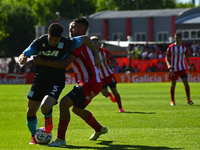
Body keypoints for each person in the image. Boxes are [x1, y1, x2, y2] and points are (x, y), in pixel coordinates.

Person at [18, 22, 101, 145]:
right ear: (47, 34)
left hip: (56, 80)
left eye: (55, 40)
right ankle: (33, 137)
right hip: (40, 79)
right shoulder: (39, 42)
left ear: (60, 37)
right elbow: (25, 53)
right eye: (51, 39)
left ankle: (49, 120)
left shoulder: (68, 42)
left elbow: (86, 39)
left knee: (46, 107)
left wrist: (97, 56)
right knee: (30, 111)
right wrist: (22, 58)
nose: (52, 42)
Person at [90, 36, 124, 112]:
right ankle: (109, 94)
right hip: (100, 77)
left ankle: (120, 108)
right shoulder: (90, 54)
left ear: (98, 43)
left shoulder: (104, 51)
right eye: (92, 43)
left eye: (95, 43)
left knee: (115, 91)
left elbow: (113, 60)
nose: (94, 44)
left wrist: (112, 64)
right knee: (104, 93)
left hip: (108, 74)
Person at [165, 33, 193, 106]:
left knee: (186, 83)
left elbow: (186, 56)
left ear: (181, 38)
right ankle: (172, 101)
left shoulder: (184, 47)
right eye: (175, 37)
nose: (176, 39)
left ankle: (188, 99)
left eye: (177, 37)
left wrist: (189, 66)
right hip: (173, 68)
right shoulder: (171, 47)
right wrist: (168, 64)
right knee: (173, 84)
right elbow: (167, 57)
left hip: (182, 68)